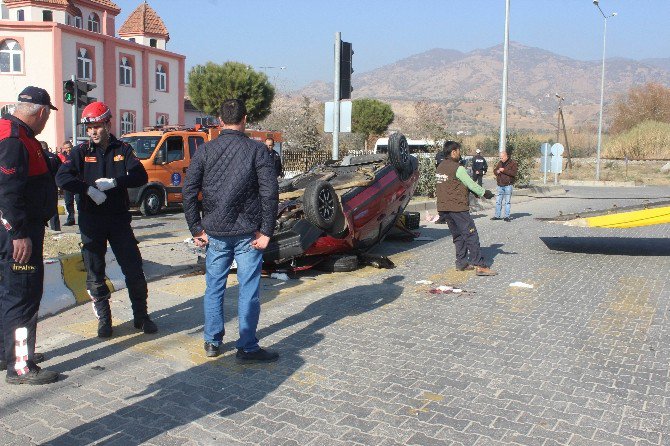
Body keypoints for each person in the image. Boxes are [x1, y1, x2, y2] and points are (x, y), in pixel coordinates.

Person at [183, 99, 279, 363]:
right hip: (249, 233)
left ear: (220, 120)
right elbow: (269, 193)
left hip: (214, 233)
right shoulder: (257, 151)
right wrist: (267, 230)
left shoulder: (205, 151)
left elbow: (189, 192)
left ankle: (212, 341)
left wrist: (196, 228)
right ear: (245, 119)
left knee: (214, 287)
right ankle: (247, 347)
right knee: (249, 289)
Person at [56, 102, 157, 338]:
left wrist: (115, 182)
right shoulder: (80, 152)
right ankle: (105, 319)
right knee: (95, 272)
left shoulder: (122, 149)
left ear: (108, 124)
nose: (92, 131)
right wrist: (87, 190)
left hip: (119, 220)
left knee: (133, 269)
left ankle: (141, 317)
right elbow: (62, 178)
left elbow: (140, 175)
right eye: (89, 127)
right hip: (92, 221)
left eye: (97, 126)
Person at [0, 86, 59, 384]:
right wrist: (20, 233)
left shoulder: (16, 134)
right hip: (19, 235)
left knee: (8, 294)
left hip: (12, 231)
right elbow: (7, 191)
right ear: (41, 112)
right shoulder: (14, 139)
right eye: (47, 116)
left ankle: (8, 353)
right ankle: (21, 365)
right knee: (22, 296)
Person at [436, 141, 497, 276]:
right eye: (458, 151)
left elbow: (453, 185)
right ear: (453, 152)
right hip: (458, 207)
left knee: (458, 236)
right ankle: (480, 265)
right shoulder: (458, 168)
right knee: (471, 235)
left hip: (444, 208)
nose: (460, 153)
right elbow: (470, 184)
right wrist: (485, 193)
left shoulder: (440, 166)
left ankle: (461, 263)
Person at [492, 148, 518, 222]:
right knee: (498, 201)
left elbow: (514, 173)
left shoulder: (513, 163)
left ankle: (507, 216)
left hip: (508, 185)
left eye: (502, 157)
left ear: (506, 156)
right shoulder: (500, 163)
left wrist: (504, 170)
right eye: (500, 157)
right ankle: (497, 215)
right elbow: (495, 171)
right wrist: (496, 171)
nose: (501, 159)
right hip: (500, 185)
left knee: (507, 202)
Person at [41, 141, 62, 231]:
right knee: (53, 207)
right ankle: (56, 228)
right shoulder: (55, 157)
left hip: (41, 185)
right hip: (53, 185)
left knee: (40, 207)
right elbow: (61, 171)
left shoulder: (39, 156)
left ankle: (42, 227)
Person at [58, 141, 78, 226]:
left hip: (77, 181)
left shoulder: (76, 154)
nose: (68, 149)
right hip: (68, 182)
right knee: (68, 201)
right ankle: (71, 218)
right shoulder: (61, 157)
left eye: (69, 147)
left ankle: (81, 220)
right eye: (66, 148)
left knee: (78, 201)